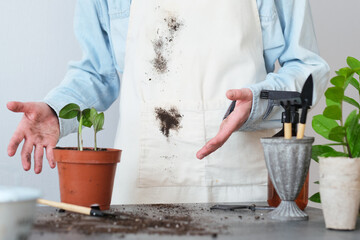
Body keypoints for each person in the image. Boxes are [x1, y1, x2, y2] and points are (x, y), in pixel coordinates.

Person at [7, 0, 329, 204]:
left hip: (244, 185)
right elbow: (98, 71)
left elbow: (307, 68)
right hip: (144, 185)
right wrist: (54, 109)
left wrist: (260, 101)